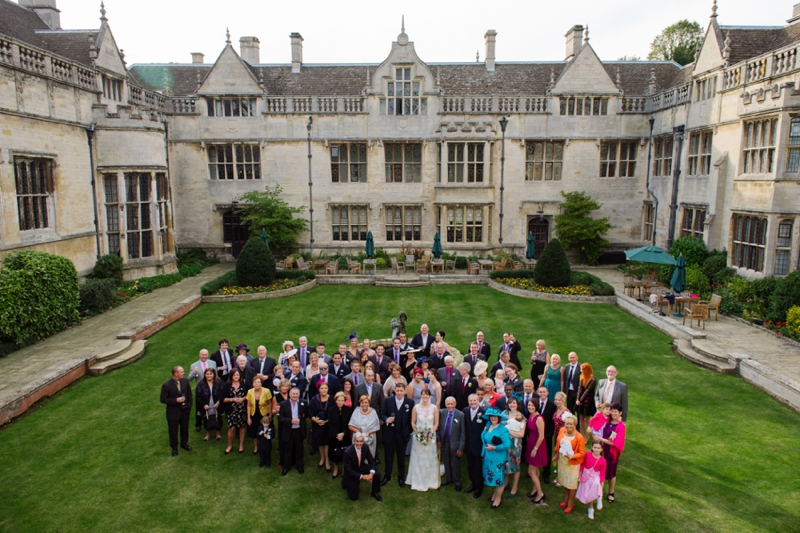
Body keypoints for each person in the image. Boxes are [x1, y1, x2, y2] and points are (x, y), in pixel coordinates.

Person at [405, 388, 440, 491]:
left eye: (427, 394)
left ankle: (430, 480)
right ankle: (416, 479)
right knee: (418, 457)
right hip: (418, 437)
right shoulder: (416, 407)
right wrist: (418, 433)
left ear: (430, 396)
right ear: (421, 395)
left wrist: (430, 434)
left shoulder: (434, 408)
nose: (425, 396)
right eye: (423, 394)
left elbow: (436, 423)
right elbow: (413, 422)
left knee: (429, 457)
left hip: (430, 437)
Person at [381, 382, 414, 487]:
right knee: (388, 456)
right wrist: (387, 419)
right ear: (394, 391)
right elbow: (382, 414)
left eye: (401, 391)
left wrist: (407, 432)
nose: (399, 393)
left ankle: (401, 477)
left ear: (405, 391)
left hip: (402, 434)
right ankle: (387, 475)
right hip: (390, 433)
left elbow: (411, 419)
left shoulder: (410, 402)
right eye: (397, 391)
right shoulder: (388, 400)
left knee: (401, 456)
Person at [553, 414, 586, 514]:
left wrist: (572, 456)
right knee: (565, 482)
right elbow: (558, 444)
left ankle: (570, 503)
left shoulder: (579, 437)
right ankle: (566, 499)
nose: (568, 426)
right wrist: (557, 455)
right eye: (567, 424)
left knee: (571, 484)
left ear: (575, 424)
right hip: (562, 461)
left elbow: (582, 453)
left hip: (572, 464)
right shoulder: (562, 430)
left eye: (571, 424)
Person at [481, 408, 511, 508]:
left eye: (495, 416)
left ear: (499, 418)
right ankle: (495, 495)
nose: (493, 418)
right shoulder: (488, 425)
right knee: (493, 478)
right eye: (491, 416)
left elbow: (507, 445)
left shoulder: (503, 430)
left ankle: (498, 499)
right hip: (488, 457)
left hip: (497, 458)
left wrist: (494, 447)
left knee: (498, 479)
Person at [160, 366, 193, 456]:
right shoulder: (167, 385)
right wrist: (175, 400)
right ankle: (174, 447)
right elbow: (163, 399)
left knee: (185, 428)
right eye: (181, 372)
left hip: (184, 411)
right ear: (176, 374)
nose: (183, 373)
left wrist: (188, 407)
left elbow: (189, 395)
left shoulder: (185, 381)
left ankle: (184, 443)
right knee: (173, 430)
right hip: (173, 412)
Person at [599, 402, 626, 503]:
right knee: (600, 470)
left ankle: (611, 492)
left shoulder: (621, 426)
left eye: (615, 411)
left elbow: (616, 443)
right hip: (602, 450)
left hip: (612, 454)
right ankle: (599, 490)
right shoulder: (607, 421)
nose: (613, 413)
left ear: (620, 413)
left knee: (611, 472)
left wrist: (602, 439)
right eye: (612, 411)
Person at [343, 432, 383, 501]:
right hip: (352, 472)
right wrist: (362, 476)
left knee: (377, 473)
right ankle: (345, 483)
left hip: (361, 467)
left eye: (361, 441)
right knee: (353, 497)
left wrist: (371, 473)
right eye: (357, 441)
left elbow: (372, 461)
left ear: (363, 441)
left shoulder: (365, 447)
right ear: (354, 441)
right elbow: (348, 470)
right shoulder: (347, 452)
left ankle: (375, 492)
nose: (359, 443)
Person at [278, 387, 308, 475]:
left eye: (297, 394)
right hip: (288, 430)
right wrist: (290, 421)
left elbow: (306, 415)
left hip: (299, 430)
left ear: (299, 394)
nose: (295, 395)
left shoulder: (304, 403)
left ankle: (299, 466)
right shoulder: (283, 404)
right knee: (288, 449)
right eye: (293, 394)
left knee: (299, 449)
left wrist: (301, 420)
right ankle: (286, 466)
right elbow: (280, 418)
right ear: (290, 394)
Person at [437, 396, 465, 491]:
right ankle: (448, 478)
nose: (450, 406)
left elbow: (463, 433)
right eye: (448, 404)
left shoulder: (460, 415)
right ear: (445, 404)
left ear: (455, 404)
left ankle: (457, 481)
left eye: (451, 404)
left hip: (455, 444)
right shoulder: (441, 413)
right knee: (446, 461)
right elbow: (438, 428)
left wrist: (461, 448)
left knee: (455, 463)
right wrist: (439, 440)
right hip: (444, 442)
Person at [463, 393, 486, 498]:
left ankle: (479, 487)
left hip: (479, 445)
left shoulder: (483, 413)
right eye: (470, 401)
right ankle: (473, 483)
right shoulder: (465, 411)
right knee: (470, 466)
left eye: (474, 401)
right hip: (469, 445)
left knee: (478, 467)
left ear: (478, 401)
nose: (472, 402)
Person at [576, 439, 607, 520]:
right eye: (595, 447)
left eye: (598, 448)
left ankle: (599, 497)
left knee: (596, 485)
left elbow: (602, 474)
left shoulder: (603, 461)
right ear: (592, 448)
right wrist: (580, 475)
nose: (596, 449)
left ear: (601, 449)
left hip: (595, 476)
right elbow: (582, 465)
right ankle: (591, 508)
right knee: (589, 494)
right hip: (586, 476)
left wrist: (601, 487)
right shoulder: (587, 455)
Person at [524, 398, 547, 504]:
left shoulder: (539, 418)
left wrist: (535, 449)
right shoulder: (530, 415)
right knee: (536, 469)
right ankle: (535, 489)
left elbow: (541, 436)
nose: (530, 407)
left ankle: (540, 493)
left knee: (531, 471)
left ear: (537, 406)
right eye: (529, 405)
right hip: (531, 443)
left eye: (532, 405)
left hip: (537, 445)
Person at [246, 376, 275, 454]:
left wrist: (270, 415)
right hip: (254, 414)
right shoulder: (249, 392)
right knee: (254, 431)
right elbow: (248, 405)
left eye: (258, 382)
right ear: (252, 384)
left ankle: (266, 445)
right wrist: (248, 417)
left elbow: (270, 403)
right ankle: (256, 447)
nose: (256, 384)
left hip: (264, 414)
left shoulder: (266, 391)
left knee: (265, 430)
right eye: (255, 382)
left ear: (261, 383)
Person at [502, 397, 525, 498]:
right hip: (505, 444)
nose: (512, 405)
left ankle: (514, 487)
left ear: (517, 404)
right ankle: (506, 482)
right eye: (510, 403)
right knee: (506, 463)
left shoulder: (521, 416)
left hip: (516, 445)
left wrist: (507, 431)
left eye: (514, 403)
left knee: (515, 464)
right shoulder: (504, 414)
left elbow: (521, 434)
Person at [221, 368, 247, 454]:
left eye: (238, 375)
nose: (236, 376)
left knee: (242, 427)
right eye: (234, 375)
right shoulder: (226, 385)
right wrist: (232, 400)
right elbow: (222, 399)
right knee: (232, 429)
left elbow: (249, 394)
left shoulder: (244, 384)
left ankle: (241, 444)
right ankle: (230, 445)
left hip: (242, 410)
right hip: (231, 410)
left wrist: (243, 399)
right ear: (231, 376)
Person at [327, 391, 353, 479]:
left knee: (345, 453)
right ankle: (336, 468)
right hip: (334, 436)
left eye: (342, 400)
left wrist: (344, 434)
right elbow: (330, 425)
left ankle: (344, 470)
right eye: (339, 400)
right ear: (335, 400)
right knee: (335, 454)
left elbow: (349, 423)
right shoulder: (331, 410)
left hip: (345, 436)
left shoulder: (348, 410)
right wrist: (337, 435)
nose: (340, 402)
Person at [310, 381, 332, 471]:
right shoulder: (314, 399)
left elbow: (333, 413)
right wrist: (317, 421)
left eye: (325, 388)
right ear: (318, 389)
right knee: (319, 442)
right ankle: (322, 458)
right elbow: (310, 413)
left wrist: (326, 421)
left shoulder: (331, 399)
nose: (324, 390)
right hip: (317, 424)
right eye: (322, 388)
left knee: (326, 442)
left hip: (328, 425)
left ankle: (327, 460)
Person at [195, 368, 223, 441]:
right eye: (207, 374)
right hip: (206, 405)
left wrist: (218, 402)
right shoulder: (201, 384)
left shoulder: (219, 382)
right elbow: (198, 396)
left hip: (217, 404)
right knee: (206, 418)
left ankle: (218, 434)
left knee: (218, 418)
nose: (209, 375)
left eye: (211, 374)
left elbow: (223, 393)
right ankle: (208, 434)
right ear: (205, 375)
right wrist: (204, 405)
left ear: (214, 374)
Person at [536, 386, 556, 485]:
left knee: (547, 453)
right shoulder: (535, 404)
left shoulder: (552, 405)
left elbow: (553, 422)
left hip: (547, 434)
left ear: (547, 393)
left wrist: (549, 434)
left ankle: (546, 473)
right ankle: (534, 470)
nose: (542, 394)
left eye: (544, 392)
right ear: (537, 393)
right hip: (536, 434)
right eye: (540, 392)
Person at [273, 379, 291, 467]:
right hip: (282, 421)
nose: (284, 388)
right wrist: (276, 410)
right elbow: (272, 411)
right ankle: (283, 461)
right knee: (283, 440)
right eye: (283, 386)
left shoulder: (291, 395)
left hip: (291, 420)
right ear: (279, 387)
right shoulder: (276, 397)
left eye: (286, 386)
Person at [576, 362, 597, 435]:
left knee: (587, 419)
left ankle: (587, 435)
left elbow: (587, 391)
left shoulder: (593, 379)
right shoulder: (582, 377)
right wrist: (578, 399)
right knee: (581, 417)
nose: (581, 371)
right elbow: (580, 389)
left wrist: (580, 400)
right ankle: (581, 434)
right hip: (581, 400)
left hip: (588, 401)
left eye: (582, 370)